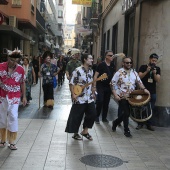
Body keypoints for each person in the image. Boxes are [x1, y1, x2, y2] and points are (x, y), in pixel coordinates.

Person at [111, 56, 150, 137]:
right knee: (126, 112)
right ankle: (126, 130)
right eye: (127, 62)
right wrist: (115, 95)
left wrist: (144, 89)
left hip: (132, 96)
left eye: (130, 63)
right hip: (122, 96)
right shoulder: (119, 73)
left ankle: (116, 122)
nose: (129, 64)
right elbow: (112, 84)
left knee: (127, 113)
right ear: (123, 63)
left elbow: (139, 82)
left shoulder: (134, 73)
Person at [0, 49, 27, 150]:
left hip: (15, 96)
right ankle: (2, 139)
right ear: (8, 58)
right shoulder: (1, 66)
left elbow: (23, 82)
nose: (14, 63)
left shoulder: (20, 69)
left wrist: (24, 96)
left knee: (13, 116)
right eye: (12, 60)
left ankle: (12, 141)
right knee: (2, 117)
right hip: (2, 95)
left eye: (16, 61)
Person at [65, 53, 96, 141]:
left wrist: (93, 92)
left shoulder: (91, 70)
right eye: (90, 58)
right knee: (77, 116)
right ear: (85, 59)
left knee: (93, 114)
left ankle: (85, 131)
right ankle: (75, 133)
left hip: (89, 97)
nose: (92, 60)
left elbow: (91, 82)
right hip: (79, 97)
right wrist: (73, 94)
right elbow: (71, 83)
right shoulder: (77, 70)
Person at [136, 53, 161, 131]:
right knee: (141, 107)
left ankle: (149, 124)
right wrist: (147, 71)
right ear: (149, 59)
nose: (154, 62)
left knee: (151, 108)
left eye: (155, 61)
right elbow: (139, 77)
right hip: (143, 91)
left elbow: (158, 80)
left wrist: (154, 73)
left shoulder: (157, 69)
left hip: (152, 92)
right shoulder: (143, 67)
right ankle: (140, 123)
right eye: (153, 60)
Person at [94, 50, 115, 124]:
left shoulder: (112, 64)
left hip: (108, 86)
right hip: (100, 85)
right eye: (110, 55)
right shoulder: (101, 65)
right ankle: (96, 116)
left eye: (112, 55)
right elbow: (96, 75)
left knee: (106, 102)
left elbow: (113, 75)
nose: (111, 57)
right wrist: (94, 86)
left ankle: (104, 117)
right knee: (100, 101)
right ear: (106, 56)